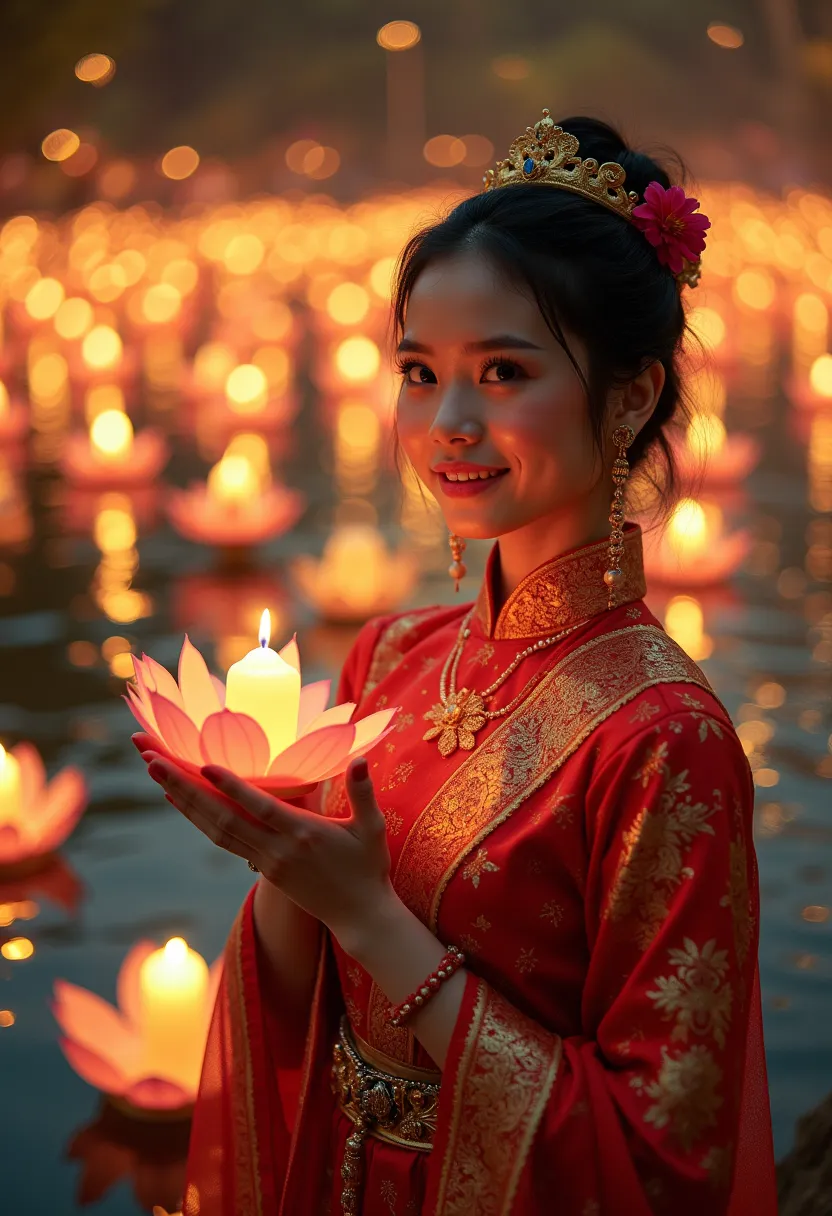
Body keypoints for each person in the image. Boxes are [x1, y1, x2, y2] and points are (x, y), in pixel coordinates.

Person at [135, 110, 778, 1215]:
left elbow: (663, 1165)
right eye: (420, 372)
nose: (449, 423)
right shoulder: (389, 653)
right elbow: (298, 1010)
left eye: (502, 372)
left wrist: (374, 921)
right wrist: (288, 868)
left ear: (628, 395)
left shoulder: (663, 737)